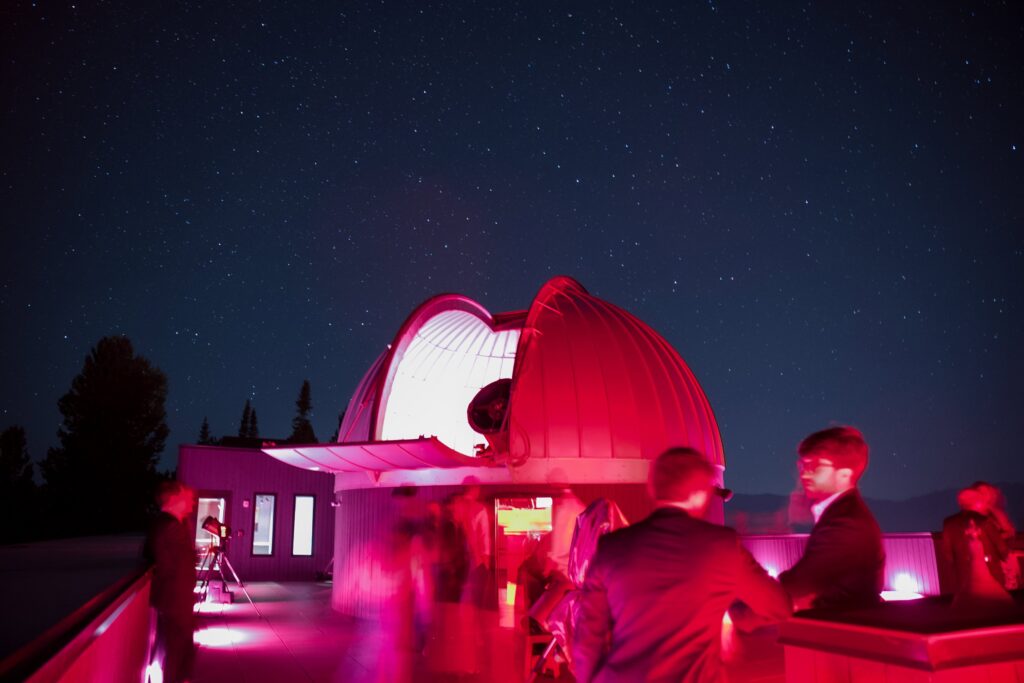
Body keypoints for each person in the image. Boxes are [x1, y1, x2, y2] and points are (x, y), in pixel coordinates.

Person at [572, 448, 791, 683]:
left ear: (652, 489)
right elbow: (777, 606)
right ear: (699, 494)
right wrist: (733, 617)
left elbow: (587, 640)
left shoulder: (611, 547)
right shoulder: (721, 546)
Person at [779, 426, 885, 610]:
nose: (804, 473)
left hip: (844, 629)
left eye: (815, 466)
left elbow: (799, 584)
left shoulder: (846, 525)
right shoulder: (841, 515)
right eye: (803, 465)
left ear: (845, 474)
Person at [143, 480, 198, 683]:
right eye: (186, 497)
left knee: (179, 650)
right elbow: (168, 567)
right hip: (175, 601)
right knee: (177, 652)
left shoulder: (169, 525)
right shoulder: (169, 527)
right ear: (174, 499)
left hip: (175, 600)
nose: (191, 502)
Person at [942, 482, 1014, 592]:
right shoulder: (985, 521)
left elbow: (948, 554)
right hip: (991, 572)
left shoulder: (949, 523)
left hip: (963, 575)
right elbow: (1003, 550)